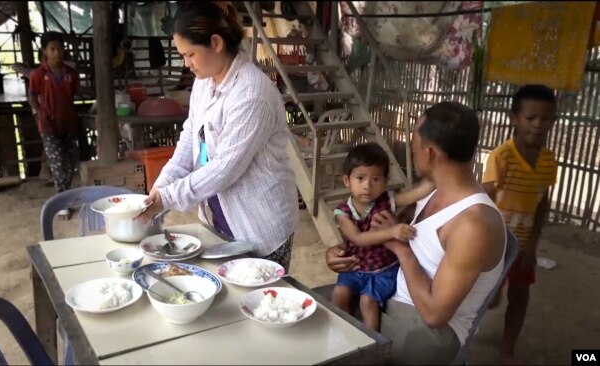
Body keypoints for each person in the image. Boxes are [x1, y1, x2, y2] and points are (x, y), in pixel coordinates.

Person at [325, 101, 507, 364]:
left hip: (427, 329)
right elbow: (377, 229)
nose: (411, 150)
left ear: (430, 153)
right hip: (389, 292)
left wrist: (399, 248)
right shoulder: (432, 192)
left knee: (326, 343)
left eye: (413, 143)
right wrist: (338, 253)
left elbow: (435, 314)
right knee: (310, 311)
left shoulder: (473, 224)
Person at [136, 1, 299, 270]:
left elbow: (225, 168)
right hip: (220, 218)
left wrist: (168, 197)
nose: (186, 63)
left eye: (190, 54)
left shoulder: (251, 93)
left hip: (258, 226)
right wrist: (161, 186)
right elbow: (191, 134)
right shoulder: (204, 81)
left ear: (216, 43)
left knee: (256, 304)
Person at [482, 84, 558, 365]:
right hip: (494, 245)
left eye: (546, 118)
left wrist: (532, 247)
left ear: (554, 120)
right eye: (530, 117)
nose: (538, 125)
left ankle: (507, 351)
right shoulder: (501, 157)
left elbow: (541, 205)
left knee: (520, 297)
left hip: (523, 246)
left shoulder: (549, 161)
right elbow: (484, 198)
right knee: (486, 300)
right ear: (514, 118)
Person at [332, 142, 434, 331]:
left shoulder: (387, 200)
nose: (367, 186)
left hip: (384, 270)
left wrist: (436, 176)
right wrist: (392, 232)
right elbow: (358, 238)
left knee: (367, 302)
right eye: (360, 178)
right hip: (355, 268)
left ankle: (372, 344)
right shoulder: (342, 211)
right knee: (339, 294)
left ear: (385, 182)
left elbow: (416, 194)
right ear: (347, 180)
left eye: (376, 179)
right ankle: (344, 334)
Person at [28, 31, 80, 218]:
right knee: (58, 163)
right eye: (53, 49)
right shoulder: (38, 74)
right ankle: (62, 200)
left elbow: (73, 95)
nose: (57, 52)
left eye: (60, 48)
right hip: (48, 125)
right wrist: (39, 112)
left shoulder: (71, 73)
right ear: (44, 51)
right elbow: (32, 96)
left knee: (70, 162)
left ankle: (65, 194)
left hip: (68, 122)